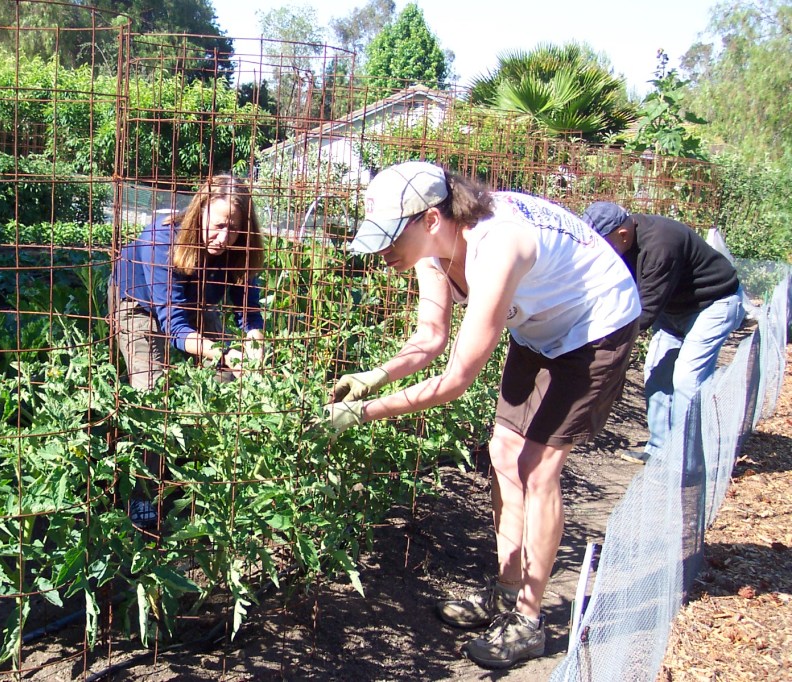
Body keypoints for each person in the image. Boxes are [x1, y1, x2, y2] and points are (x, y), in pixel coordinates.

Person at [317, 161, 641, 669]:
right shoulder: (432, 250)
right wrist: (374, 376)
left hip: (594, 324)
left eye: (388, 239)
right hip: (539, 326)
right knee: (503, 452)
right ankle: (505, 593)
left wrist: (363, 413)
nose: (383, 254)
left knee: (537, 467)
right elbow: (430, 337)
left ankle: (528, 622)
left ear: (429, 218)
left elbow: (456, 380)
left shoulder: (497, 246)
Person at [581, 202, 745, 464]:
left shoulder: (661, 245)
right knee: (656, 375)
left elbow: (644, 311)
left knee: (687, 378)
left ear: (622, 235)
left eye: (602, 244)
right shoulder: (621, 244)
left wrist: (599, 346)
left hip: (714, 304)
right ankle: (659, 450)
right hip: (674, 309)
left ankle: (687, 460)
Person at [111, 174, 266, 391]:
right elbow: (174, 325)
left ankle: (206, 420)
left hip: (194, 299)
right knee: (151, 391)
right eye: (218, 225)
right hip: (140, 301)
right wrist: (225, 353)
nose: (224, 238)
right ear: (199, 213)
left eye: (234, 229)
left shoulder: (241, 248)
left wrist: (255, 349)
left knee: (225, 381)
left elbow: (249, 312)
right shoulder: (162, 240)